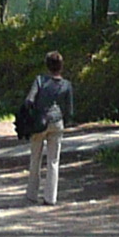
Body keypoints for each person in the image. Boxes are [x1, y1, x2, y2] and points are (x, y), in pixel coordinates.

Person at [18, 50, 76, 203]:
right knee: (53, 161)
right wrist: (65, 120)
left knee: (35, 159)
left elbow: (29, 100)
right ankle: (50, 197)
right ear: (61, 66)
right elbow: (69, 111)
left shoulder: (40, 80)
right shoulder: (66, 85)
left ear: (47, 66)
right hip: (57, 123)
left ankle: (31, 194)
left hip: (39, 123)